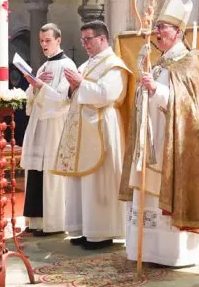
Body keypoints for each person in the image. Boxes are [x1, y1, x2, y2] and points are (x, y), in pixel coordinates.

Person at [119, 0, 199, 266]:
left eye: (163, 27)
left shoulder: (187, 62)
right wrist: (144, 88)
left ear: (179, 32)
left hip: (171, 140)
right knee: (145, 194)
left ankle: (171, 254)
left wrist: (155, 88)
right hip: (150, 140)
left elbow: (186, 105)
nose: (157, 32)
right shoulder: (159, 61)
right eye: (157, 27)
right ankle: (143, 250)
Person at [53, 20, 130, 250]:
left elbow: (109, 94)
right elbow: (71, 93)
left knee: (97, 182)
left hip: (101, 128)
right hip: (81, 130)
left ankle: (100, 233)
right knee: (79, 182)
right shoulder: (87, 64)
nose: (84, 44)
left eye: (88, 39)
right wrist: (71, 87)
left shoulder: (114, 65)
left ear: (102, 39)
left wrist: (80, 83)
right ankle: (82, 229)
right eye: (82, 40)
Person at [20, 23, 77, 236]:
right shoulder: (43, 67)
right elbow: (31, 99)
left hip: (55, 126)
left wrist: (40, 87)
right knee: (36, 171)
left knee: (51, 172)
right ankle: (36, 221)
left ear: (58, 40)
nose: (44, 45)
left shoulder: (68, 65)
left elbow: (63, 99)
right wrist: (34, 87)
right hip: (39, 124)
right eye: (41, 41)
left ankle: (53, 222)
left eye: (48, 41)